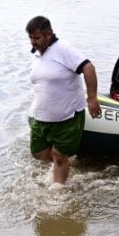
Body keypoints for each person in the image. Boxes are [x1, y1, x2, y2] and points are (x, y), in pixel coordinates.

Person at [26, 16, 101, 186]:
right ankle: (67, 163)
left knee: (59, 156)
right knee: (37, 153)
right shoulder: (37, 53)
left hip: (68, 115)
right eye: (30, 38)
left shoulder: (64, 49)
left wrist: (92, 98)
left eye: (36, 38)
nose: (33, 42)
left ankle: (58, 194)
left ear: (49, 35)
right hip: (41, 116)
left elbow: (88, 67)